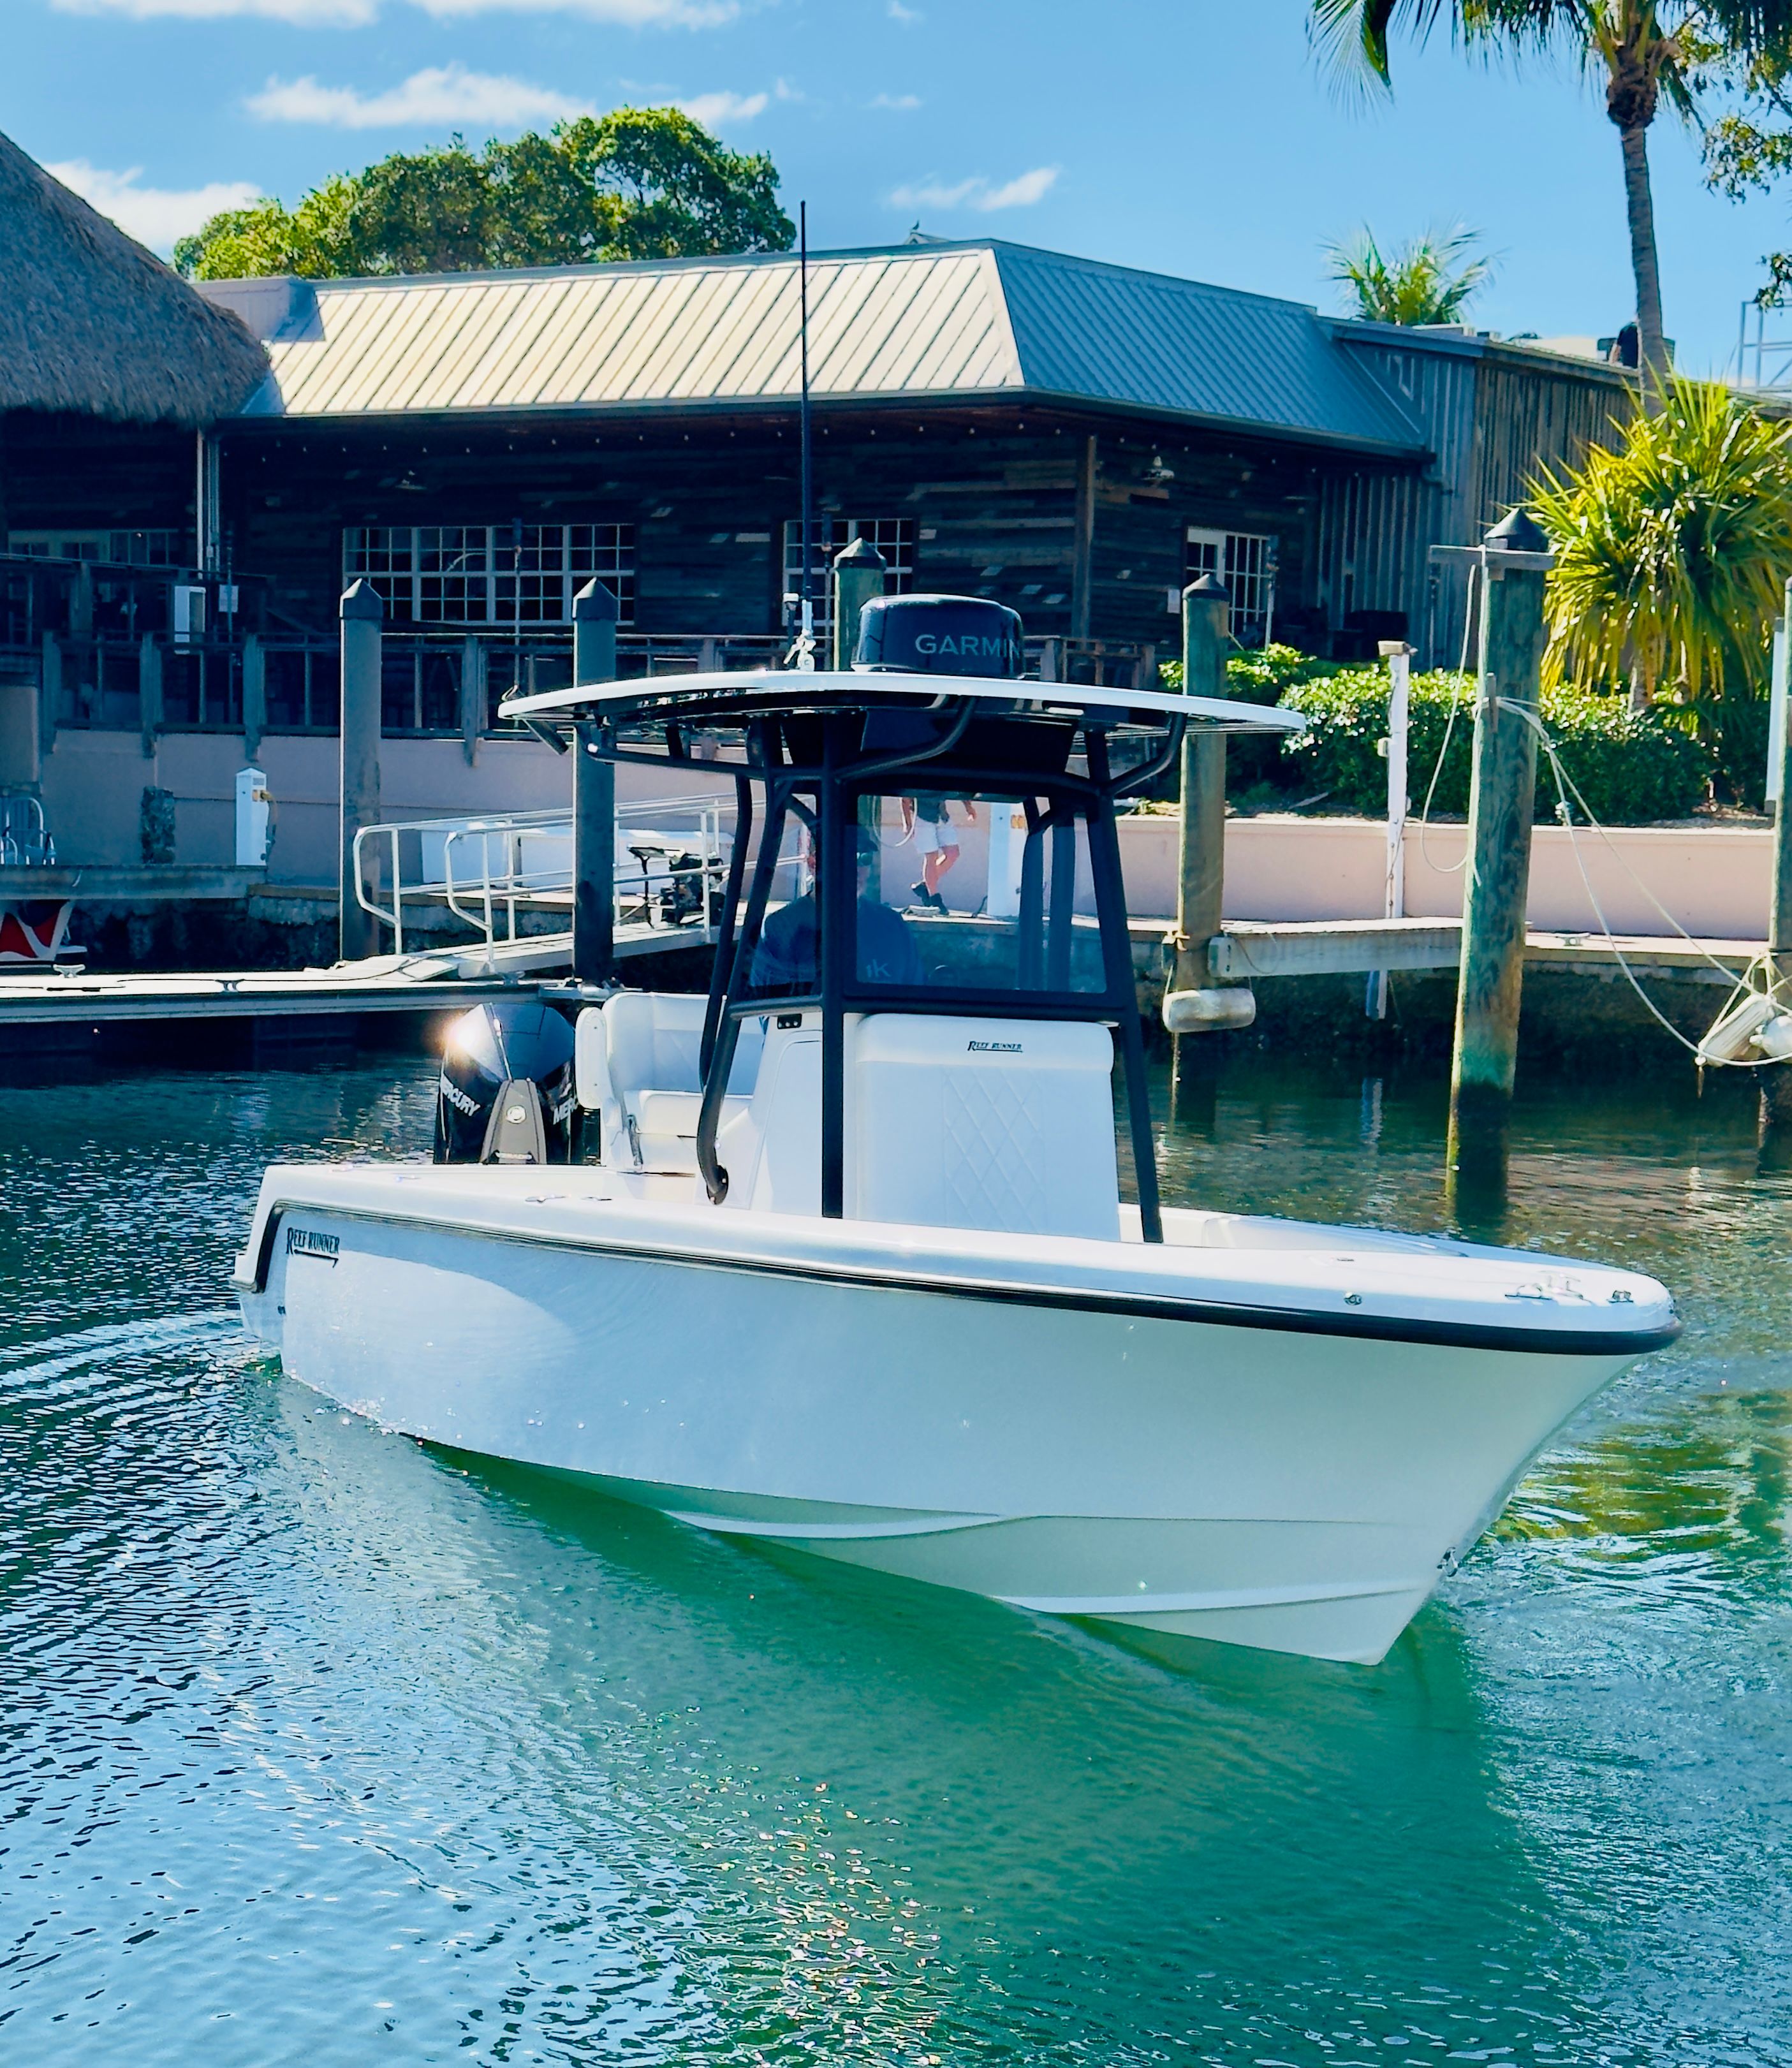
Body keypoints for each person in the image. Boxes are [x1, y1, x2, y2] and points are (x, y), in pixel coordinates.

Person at [751, 830, 923, 994]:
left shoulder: (892, 925)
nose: (855, 869)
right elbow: (772, 1005)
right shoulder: (782, 927)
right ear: (813, 864)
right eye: (843, 858)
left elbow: (915, 996)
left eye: (864, 858)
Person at [900, 793, 978, 912]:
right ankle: (934, 899)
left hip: (942, 815)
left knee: (953, 853)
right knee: (931, 856)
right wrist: (908, 823)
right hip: (922, 817)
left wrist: (968, 807)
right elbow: (905, 799)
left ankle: (926, 885)